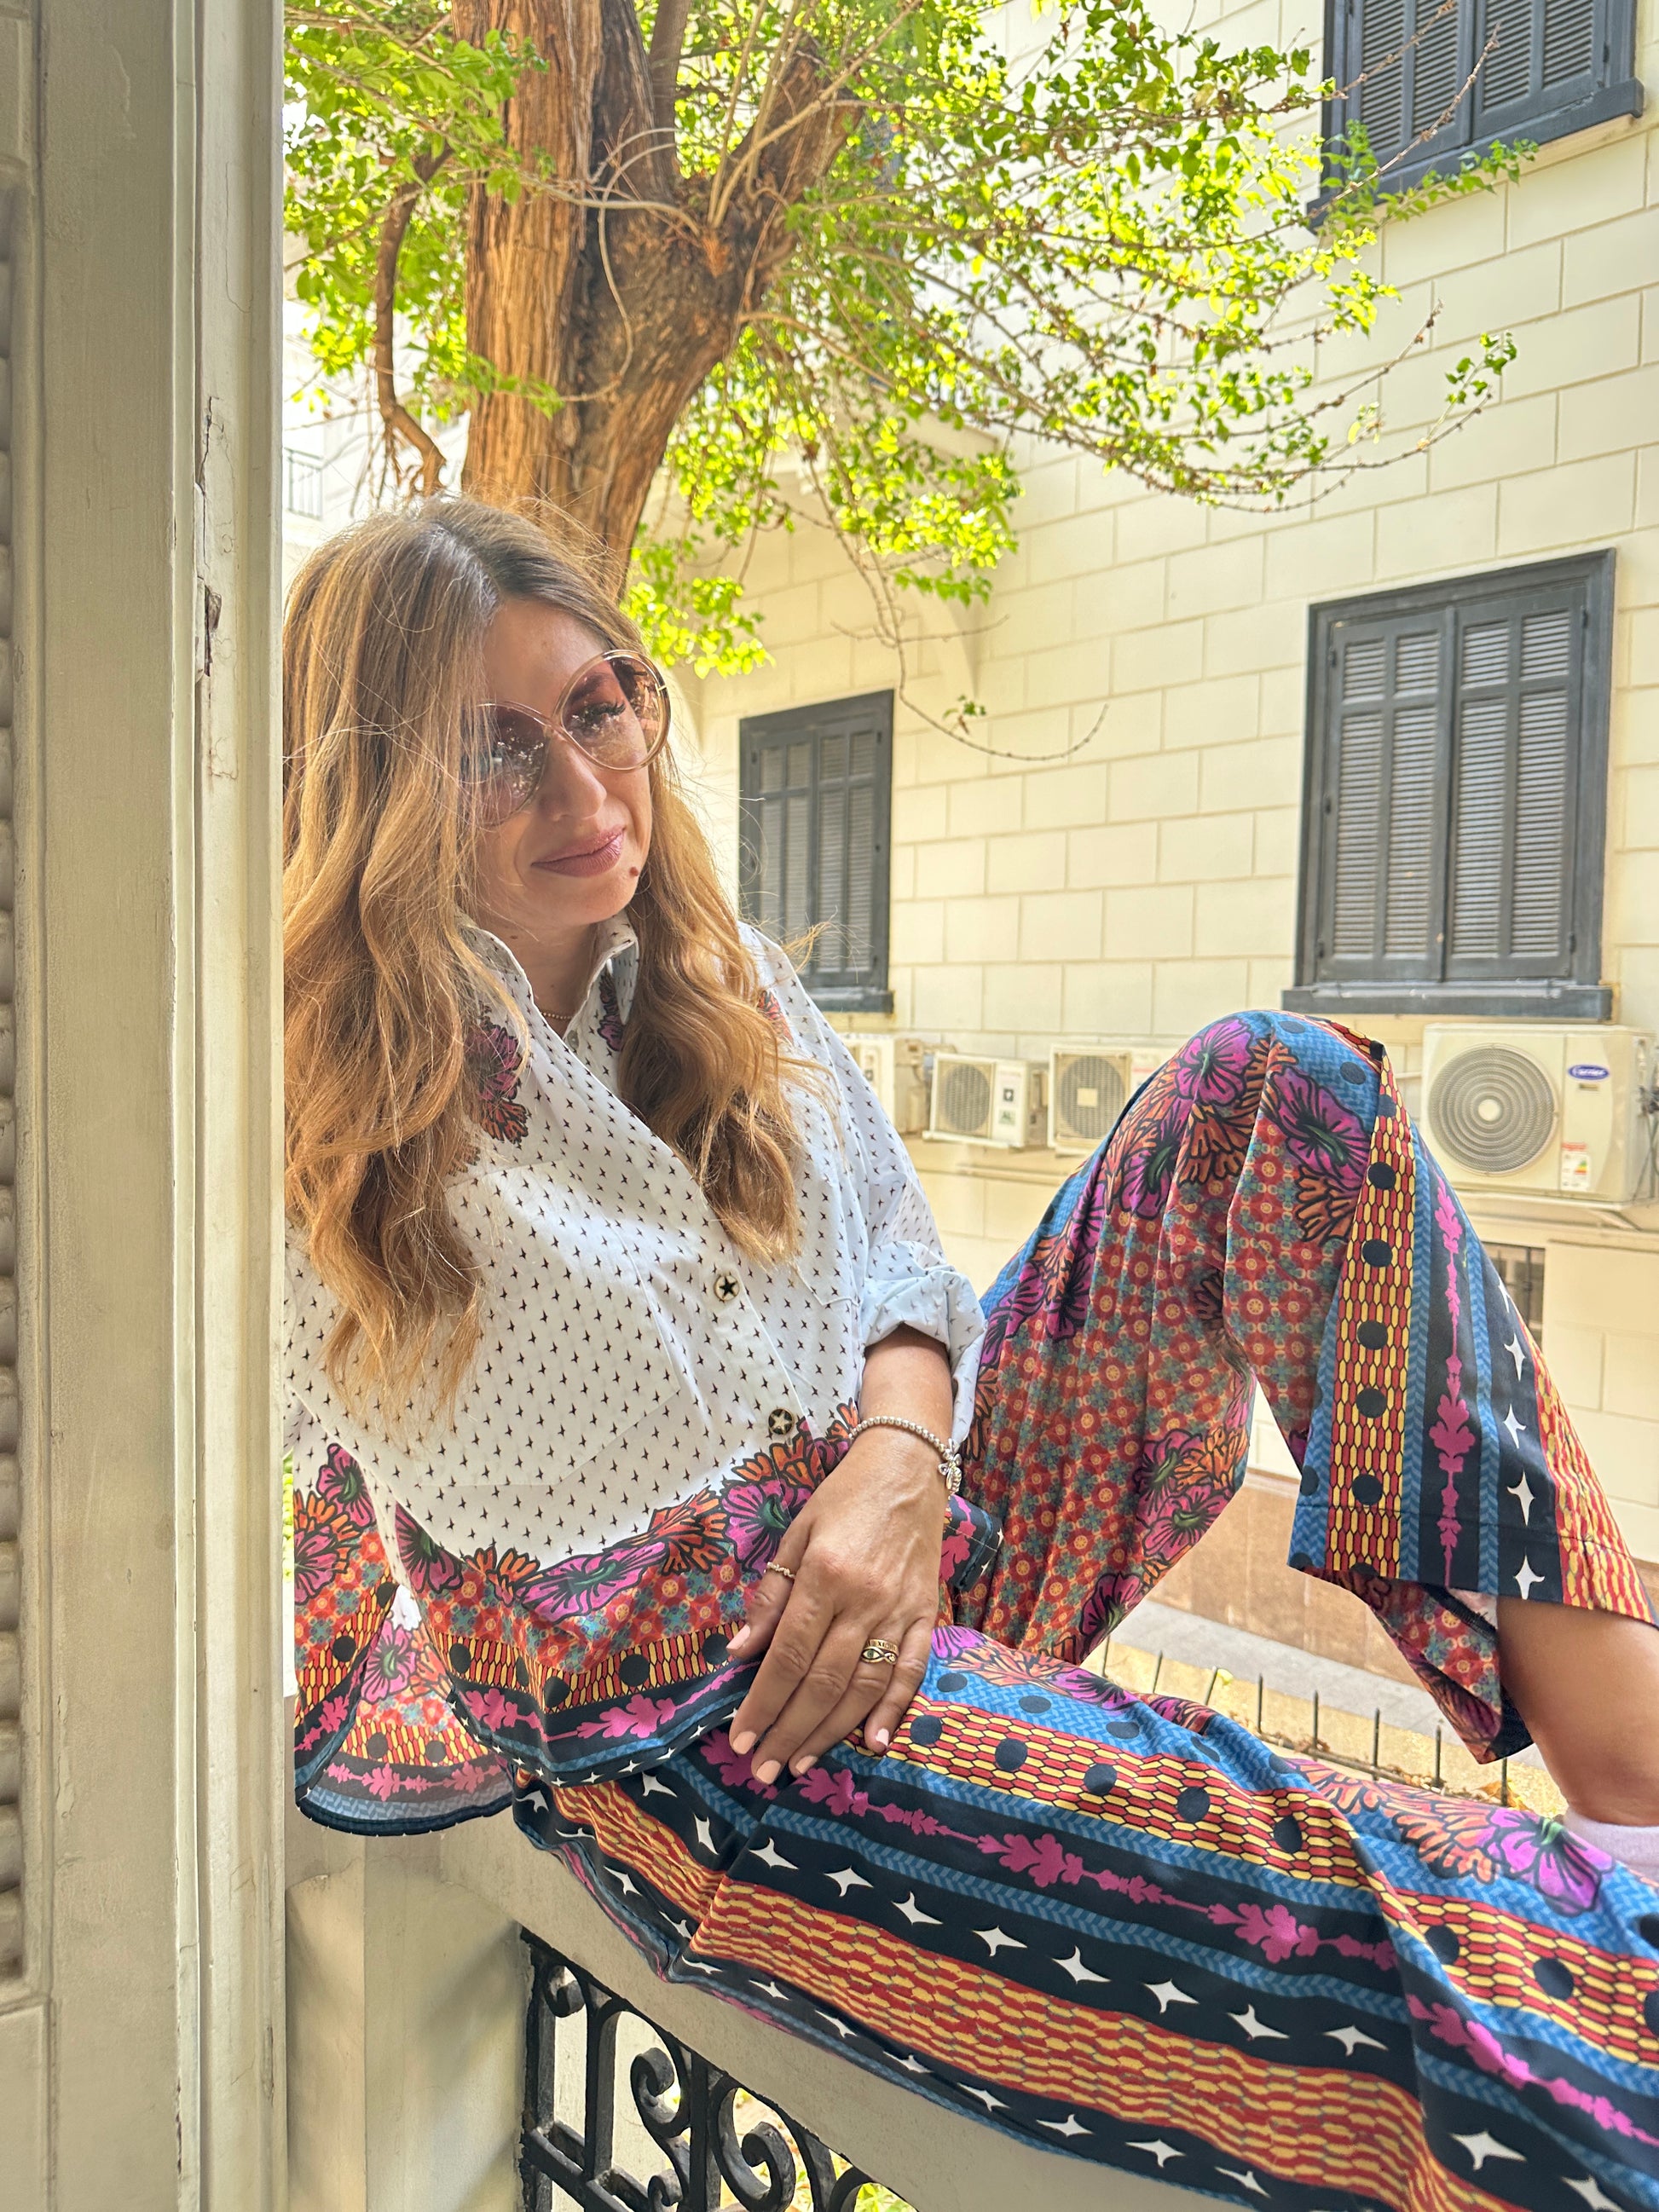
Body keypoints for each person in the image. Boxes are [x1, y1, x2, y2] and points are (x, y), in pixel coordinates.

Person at [284, 499, 1659, 2212]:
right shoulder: (317, 1097)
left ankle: (1635, 1773)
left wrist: (897, 1462)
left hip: (916, 1523)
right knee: (1518, 1983)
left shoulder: (722, 983)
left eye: (596, 706)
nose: (584, 788)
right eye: (494, 752)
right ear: (378, 791)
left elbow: (900, 1263)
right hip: (730, 1719)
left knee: (1276, 1085)